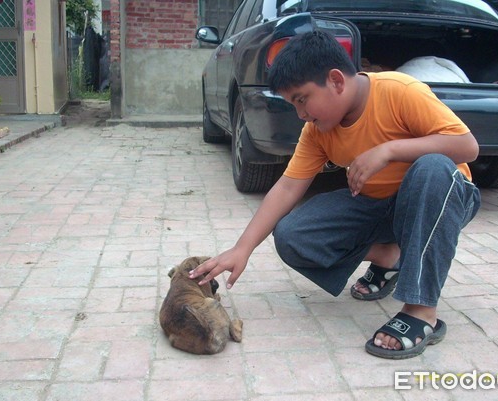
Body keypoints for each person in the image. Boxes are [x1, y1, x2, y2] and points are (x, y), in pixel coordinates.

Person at [190, 30, 481, 359]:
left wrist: (389, 150)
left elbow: (467, 147)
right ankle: (390, 257)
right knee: (293, 235)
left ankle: (420, 311)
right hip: (379, 208)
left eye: (302, 99)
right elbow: (287, 187)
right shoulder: (316, 131)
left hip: (442, 199)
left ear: (336, 81)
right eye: (293, 105)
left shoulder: (400, 91)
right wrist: (242, 249)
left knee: (431, 167)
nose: (301, 113)